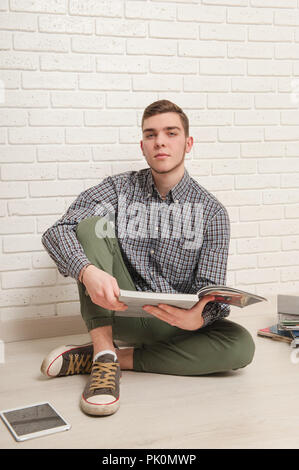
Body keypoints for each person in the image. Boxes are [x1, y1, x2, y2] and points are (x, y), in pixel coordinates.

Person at [40, 100, 255, 417]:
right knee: (89, 227)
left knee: (241, 345)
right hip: (116, 309)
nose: (161, 142)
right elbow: (57, 231)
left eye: (171, 133)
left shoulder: (212, 212)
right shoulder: (119, 188)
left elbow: (213, 293)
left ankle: (112, 357)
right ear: (143, 146)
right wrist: (86, 272)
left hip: (173, 324)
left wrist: (198, 317)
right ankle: (103, 355)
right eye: (151, 135)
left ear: (188, 143)